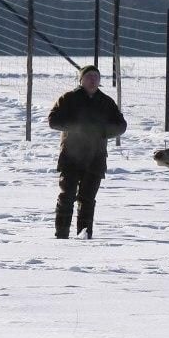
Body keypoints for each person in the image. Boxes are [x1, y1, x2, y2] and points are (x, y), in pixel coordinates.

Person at [47, 64, 127, 239]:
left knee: (87, 199)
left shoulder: (106, 102)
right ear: (81, 79)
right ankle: (61, 236)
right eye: (89, 76)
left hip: (96, 158)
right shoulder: (68, 98)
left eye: (96, 77)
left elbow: (121, 125)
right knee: (67, 197)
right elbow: (53, 120)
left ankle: (84, 236)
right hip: (71, 156)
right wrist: (77, 127)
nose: (93, 80)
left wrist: (102, 131)